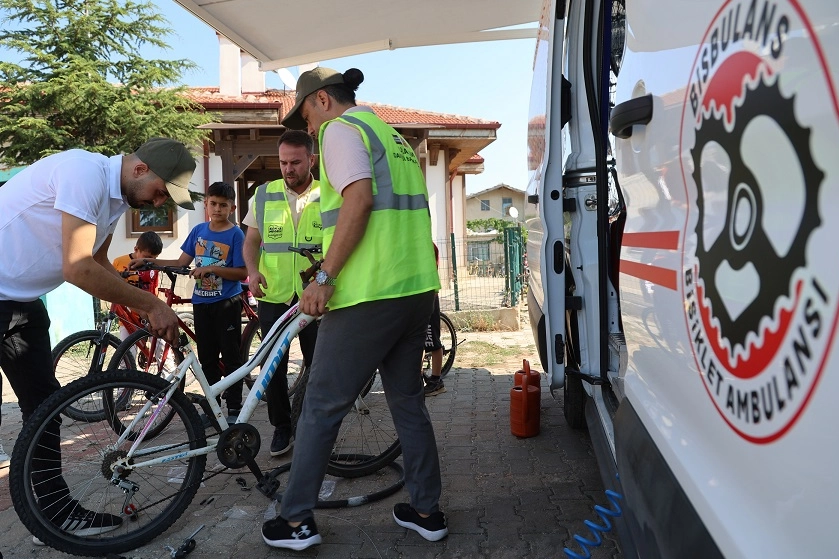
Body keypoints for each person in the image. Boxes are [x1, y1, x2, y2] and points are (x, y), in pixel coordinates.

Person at [261, 67, 448, 550]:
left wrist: (325, 276)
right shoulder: (394, 136)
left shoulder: (342, 131)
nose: (312, 130)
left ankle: (296, 519)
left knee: (321, 407)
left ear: (322, 100)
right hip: (415, 292)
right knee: (407, 403)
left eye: (308, 117)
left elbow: (358, 202)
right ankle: (427, 511)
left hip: (369, 293)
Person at [0, 137, 195, 536]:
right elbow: (76, 267)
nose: (160, 203)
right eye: (161, 192)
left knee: (45, 410)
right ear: (140, 169)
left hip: (20, 300)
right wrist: (152, 304)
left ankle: (57, 511)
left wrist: (136, 301)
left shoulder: (119, 198)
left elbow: (100, 261)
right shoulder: (82, 172)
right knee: (43, 409)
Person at [242, 130, 321, 457]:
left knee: (320, 364)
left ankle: (313, 425)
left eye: (295, 162)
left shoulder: (329, 193)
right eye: (283, 162)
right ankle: (281, 427)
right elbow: (250, 242)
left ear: (311, 160)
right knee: (273, 365)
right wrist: (252, 270)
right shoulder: (263, 194)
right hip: (274, 294)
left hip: (317, 294)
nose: (288, 169)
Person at [141, 181, 247, 422]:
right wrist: (148, 262)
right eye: (213, 204)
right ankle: (212, 409)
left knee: (231, 357)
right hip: (201, 304)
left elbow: (241, 273)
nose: (217, 209)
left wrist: (212, 269)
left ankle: (234, 410)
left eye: (223, 205)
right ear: (206, 204)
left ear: (232, 207)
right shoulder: (199, 231)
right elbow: (180, 262)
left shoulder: (235, 234)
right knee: (207, 359)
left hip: (226, 303)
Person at [112, 230, 164, 339]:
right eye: (147, 256)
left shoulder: (154, 266)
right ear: (136, 249)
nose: (150, 261)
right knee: (127, 353)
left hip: (149, 315)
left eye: (154, 258)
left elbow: (154, 288)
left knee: (160, 349)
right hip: (128, 317)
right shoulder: (119, 262)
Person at [423, 243, 446, 396]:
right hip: (419, 296)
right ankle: (419, 380)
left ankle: (436, 381)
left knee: (432, 341)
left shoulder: (429, 246)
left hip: (429, 295)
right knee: (420, 343)